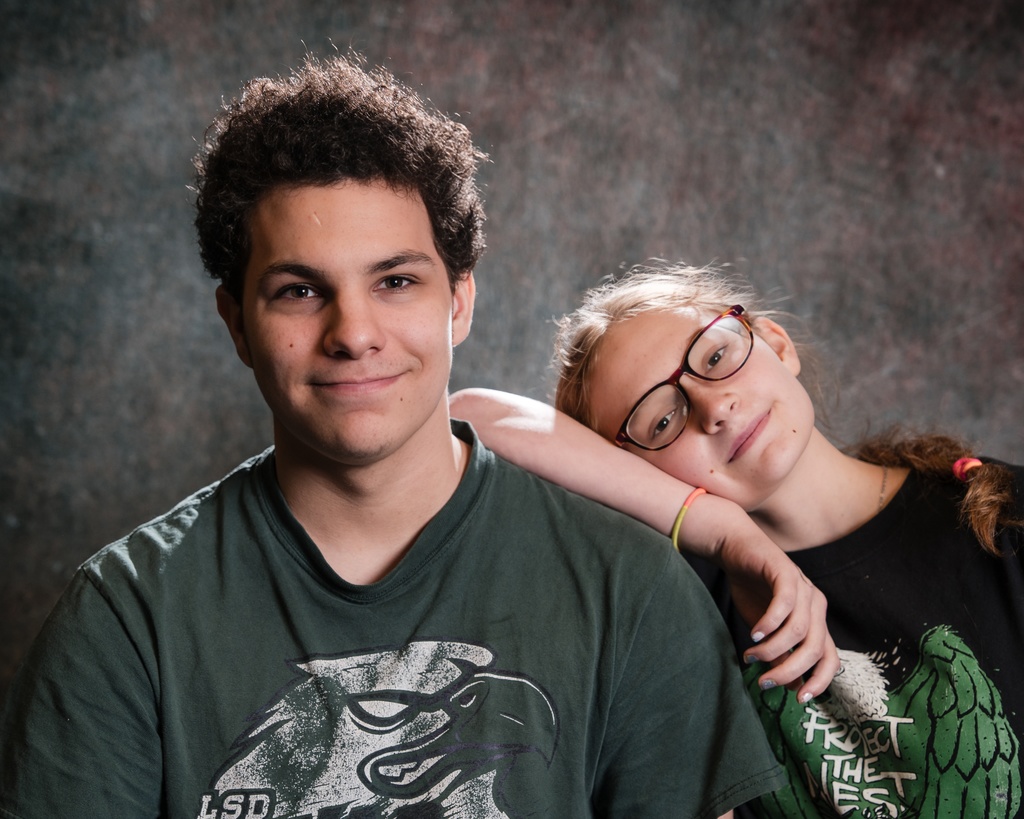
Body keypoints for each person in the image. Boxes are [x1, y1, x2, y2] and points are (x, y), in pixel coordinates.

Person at [0, 56, 837, 818]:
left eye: (396, 280)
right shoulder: (127, 617)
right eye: (299, 291)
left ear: (459, 301)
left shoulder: (632, 592)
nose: (354, 333)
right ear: (236, 323)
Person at [451, 260, 1024, 818]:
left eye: (715, 357)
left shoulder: (1000, 518)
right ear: (629, 477)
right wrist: (722, 531)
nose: (713, 406)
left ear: (776, 343)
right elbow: (469, 416)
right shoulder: (675, 610)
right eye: (661, 421)